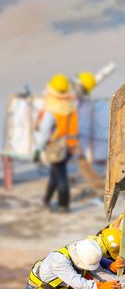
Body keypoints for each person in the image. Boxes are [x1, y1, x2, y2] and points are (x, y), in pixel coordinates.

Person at [35, 74, 79, 212]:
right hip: (69, 146)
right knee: (55, 173)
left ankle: (63, 205)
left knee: (60, 176)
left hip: (56, 147)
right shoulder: (71, 106)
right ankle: (46, 200)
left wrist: (38, 149)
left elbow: (44, 132)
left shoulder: (51, 110)